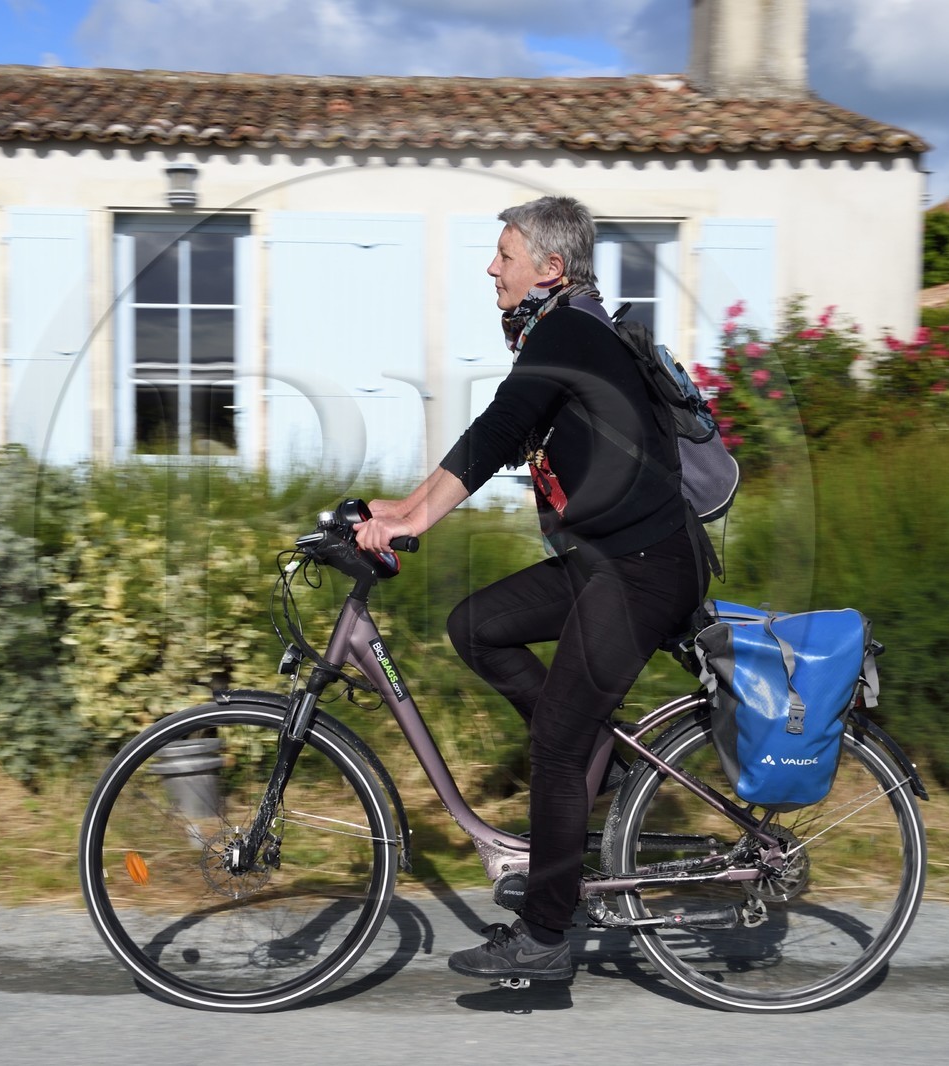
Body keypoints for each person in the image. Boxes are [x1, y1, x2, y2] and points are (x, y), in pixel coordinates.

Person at [354, 195, 704, 982]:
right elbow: (495, 435)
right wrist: (402, 510)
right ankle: (602, 765)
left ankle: (547, 935)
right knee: (478, 625)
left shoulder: (572, 332)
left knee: (555, 740)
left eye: (504, 254)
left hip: (642, 571)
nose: (491, 267)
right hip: (604, 562)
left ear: (551, 267)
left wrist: (414, 522)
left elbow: (498, 432)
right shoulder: (562, 332)